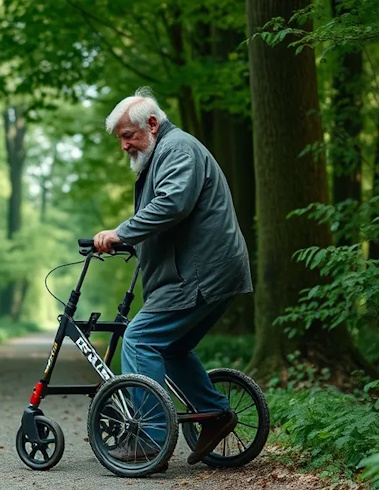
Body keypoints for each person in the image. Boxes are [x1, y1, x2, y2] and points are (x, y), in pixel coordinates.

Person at [92, 87, 253, 466]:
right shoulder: (163, 154)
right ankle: (214, 414)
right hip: (209, 271)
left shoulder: (177, 149)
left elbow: (172, 203)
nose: (125, 147)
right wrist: (128, 242)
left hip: (200, 273)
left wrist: (122, 232)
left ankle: (149, 437)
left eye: (128, 136)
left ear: (151, 124)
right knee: (171, 347)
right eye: (121, 139)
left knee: (140, 338)